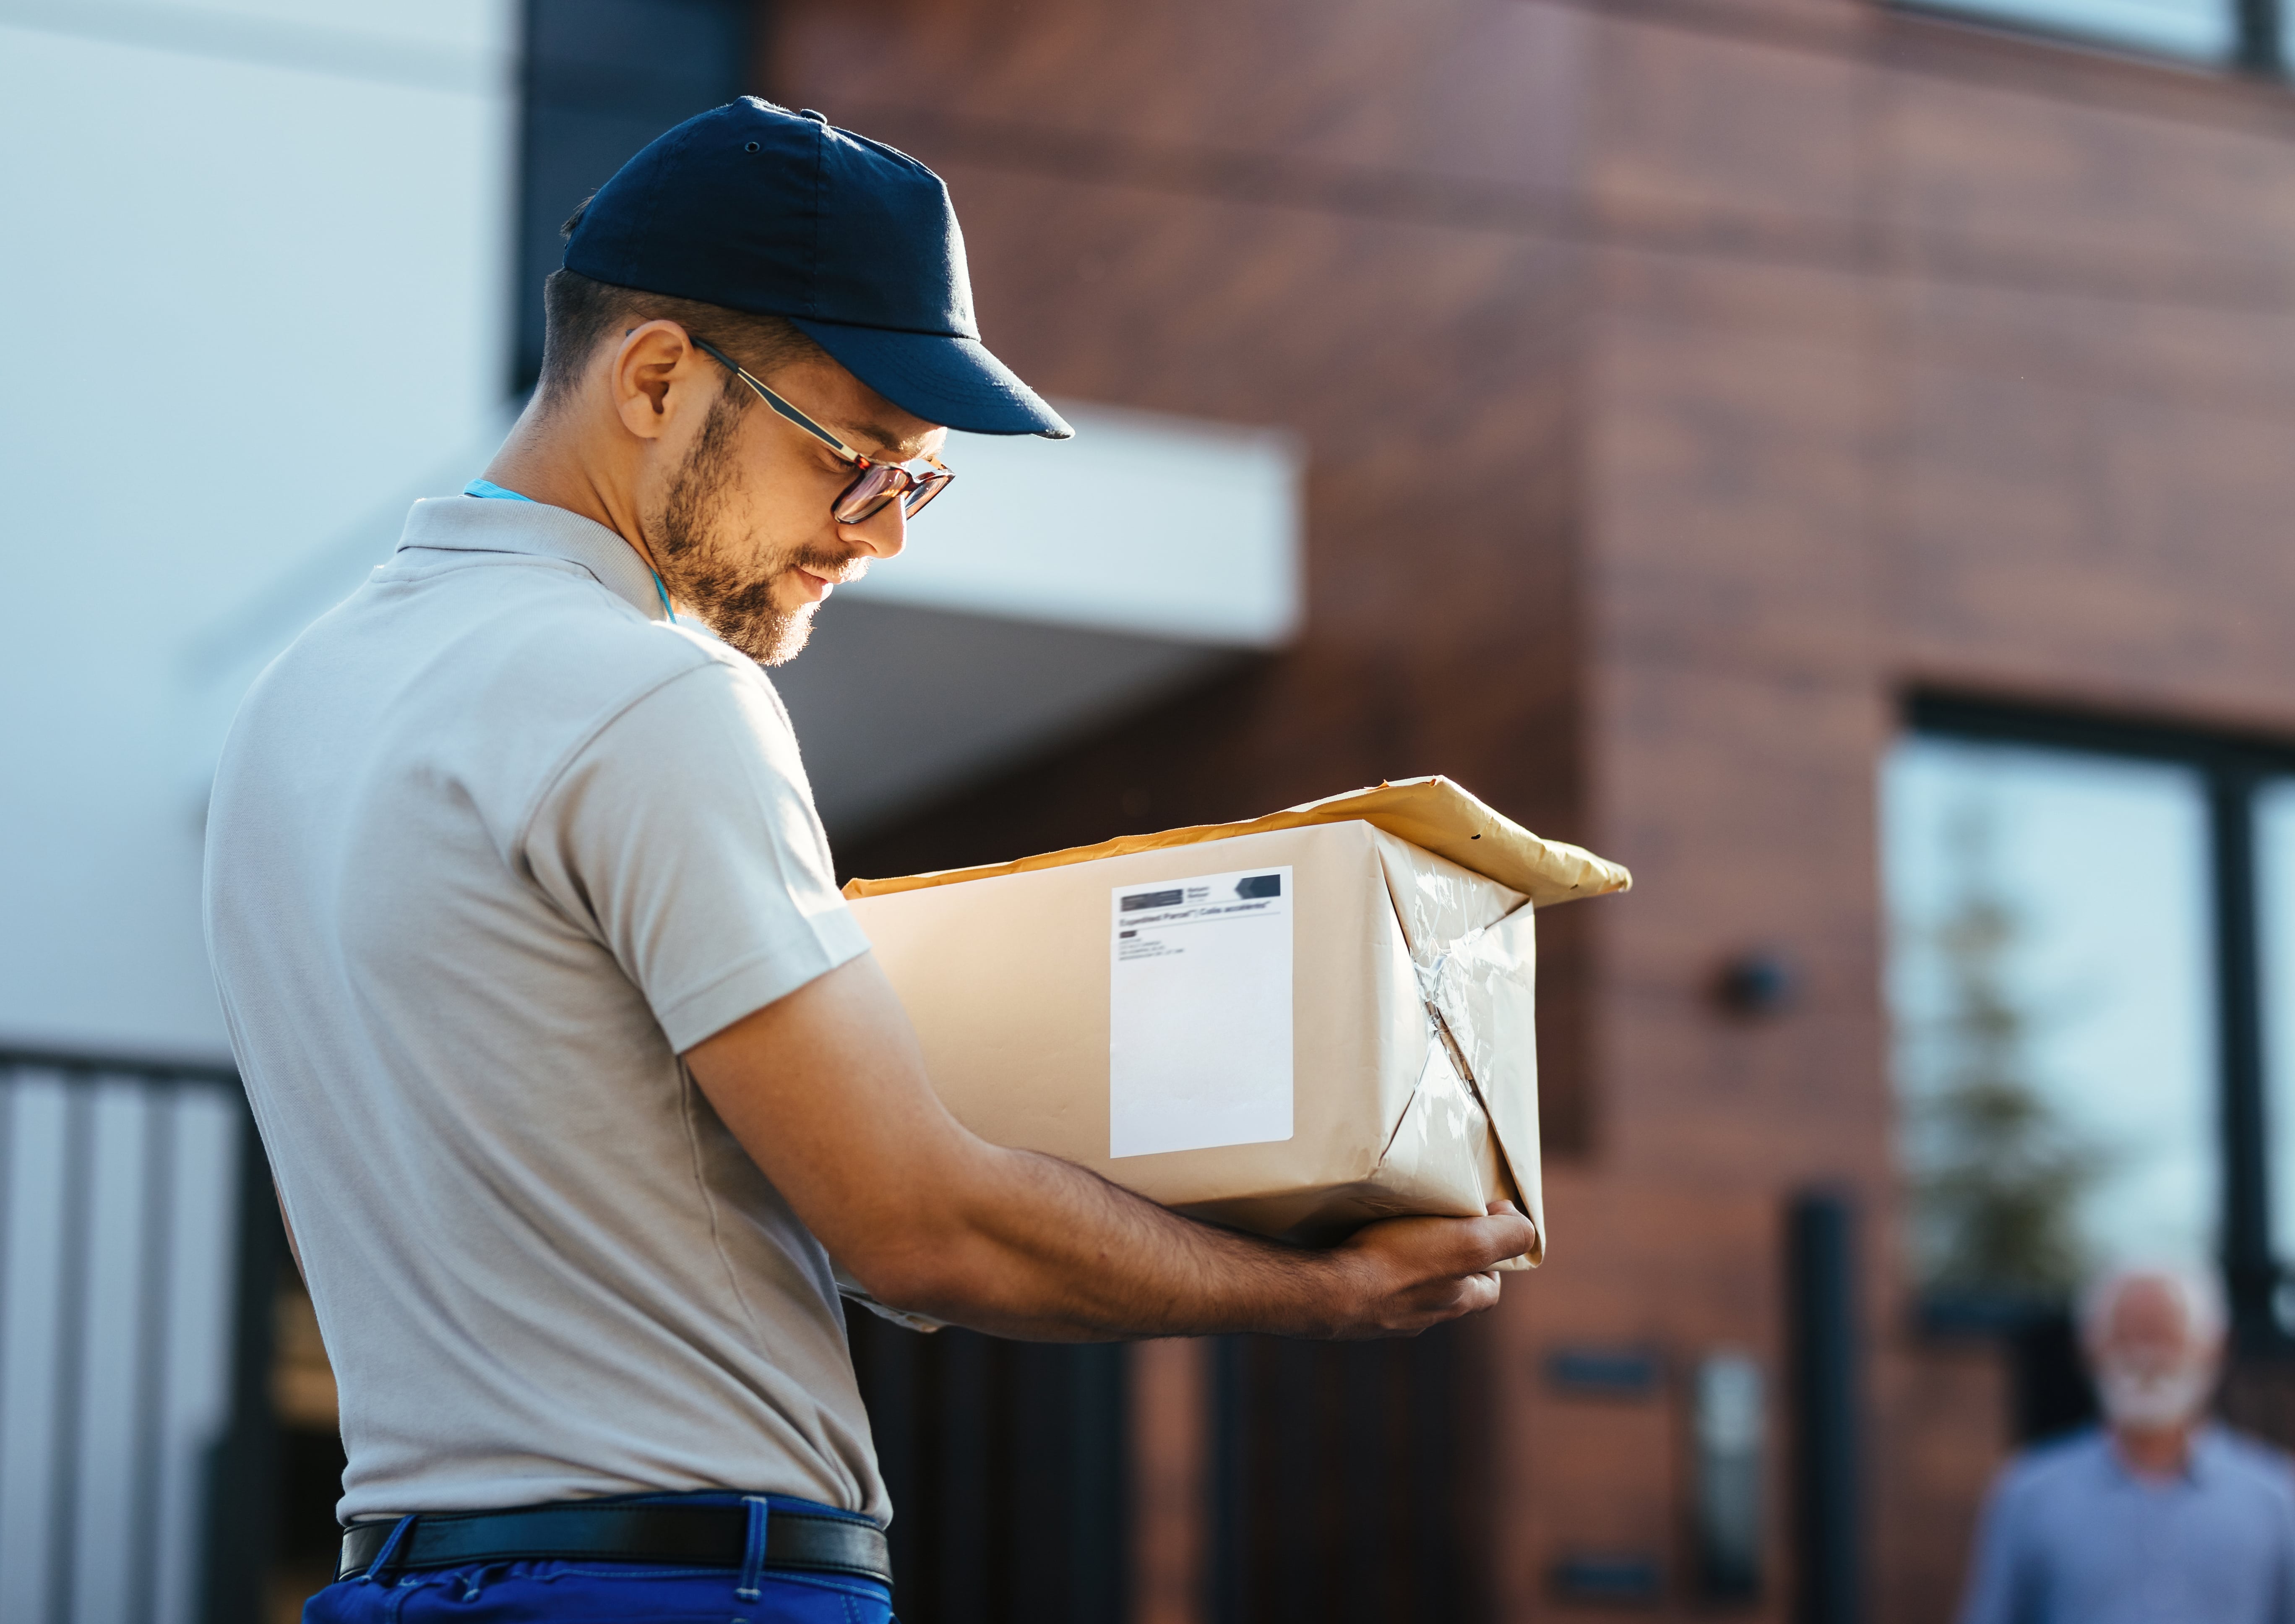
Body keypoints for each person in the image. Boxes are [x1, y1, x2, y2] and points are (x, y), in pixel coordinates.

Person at [202, 98, 1533, 1624]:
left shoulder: (295, 707)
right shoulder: (646, 691)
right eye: (863, 460)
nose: (880, 534)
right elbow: (917, 1227)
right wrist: (1325, 1294)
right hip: (688, 1587)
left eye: (914, 482)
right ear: (654, 378)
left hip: (398, 1581)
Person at [1954, 1261, 2295, 1624]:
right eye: (2128, 1335)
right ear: (2090, 1348)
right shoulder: (2028, 1494)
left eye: (2165, 1335)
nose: (2146, 1356)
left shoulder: (2276, 1495)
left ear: (2213, 1348)